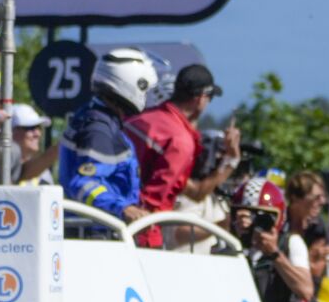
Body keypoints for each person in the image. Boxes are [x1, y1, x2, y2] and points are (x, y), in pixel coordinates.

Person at [125, 63, 234, 246]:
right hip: (140, 233)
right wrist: (232, 159)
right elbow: (154, 202)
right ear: (200, 98)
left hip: (113, 219)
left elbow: (194, 191)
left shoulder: (143, 118)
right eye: (210, 98)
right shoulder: (180, 141)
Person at [61, 48, 156, 222]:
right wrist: (122, 208)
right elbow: (83, 184)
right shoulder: (99, 130)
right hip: (97, 235)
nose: (145, 95)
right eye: (143, 88)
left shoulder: (97, 118)